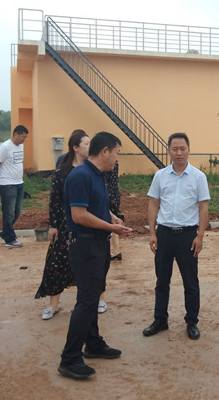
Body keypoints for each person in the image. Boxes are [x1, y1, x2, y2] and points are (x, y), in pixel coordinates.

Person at [57, 132, 132, 380]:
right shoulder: (80, 176)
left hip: (98, 245)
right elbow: (78, 215)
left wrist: (112, 217)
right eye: (117, 153)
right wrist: (111, 228)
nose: (117, 158)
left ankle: (93, 343)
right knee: (87, 301)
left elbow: (95, 205)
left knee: (92, 295)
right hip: (85, 246)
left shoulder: (98, 175)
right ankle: (70, 358)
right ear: (105, 151)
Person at [143, 132, 210, 340]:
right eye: (175, 149)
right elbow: (153, 204)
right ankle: (160, 320)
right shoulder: (160, 176)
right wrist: (152, 232)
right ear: (169, 151)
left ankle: (192, 321)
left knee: (190, 281)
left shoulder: (198, 177)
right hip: (164, 234)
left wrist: (200, 236)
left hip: (187, 236)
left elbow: (203, 207)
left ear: (189, 150)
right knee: (162, 280)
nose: (179, 153)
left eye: (182, 148)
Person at [35, 130, 89, 320]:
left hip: (87, 224)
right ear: (75, 147)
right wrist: (53, 225)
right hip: (66, 224)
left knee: (88, 265)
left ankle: (91, 302)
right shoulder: (62, 171)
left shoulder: (92, 169)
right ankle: (53, 305)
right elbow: (55, 200)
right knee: (57, 263)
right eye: (86, 144)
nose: (90, 147)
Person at [0, 125, 29, 248]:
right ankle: (10, 239)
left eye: (26, 138)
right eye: (23, 137)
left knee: (17, 211)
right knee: (8, 212)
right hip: (7, 184)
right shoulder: (5, 147)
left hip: (19, 182)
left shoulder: (21, 146)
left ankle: (5, 233)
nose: (24, 140)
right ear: (16, 134)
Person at [100, 159, 123, 314]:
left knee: (112, 224)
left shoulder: (108, 163)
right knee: (113, 224)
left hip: (110, 198)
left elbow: (110, 184)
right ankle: (115, 251)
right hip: (111, 196)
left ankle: (115, 251)